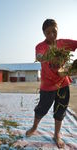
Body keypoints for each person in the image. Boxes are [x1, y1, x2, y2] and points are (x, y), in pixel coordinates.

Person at [26, 19, 77, 148]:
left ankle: (56, 134)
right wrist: (48, 56)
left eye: (54, 31)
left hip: (63, 83)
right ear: (44, 33)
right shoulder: (41, 46)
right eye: (48, 33)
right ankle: (34, 127)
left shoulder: (63, 43)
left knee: (60, 109)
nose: (52, 35)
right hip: (47, 85)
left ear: (57, 29)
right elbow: (39, 56)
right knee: (41, 109)